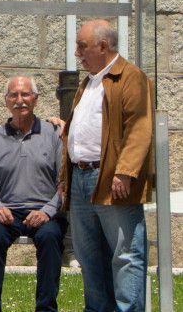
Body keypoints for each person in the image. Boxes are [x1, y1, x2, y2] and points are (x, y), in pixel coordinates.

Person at [58, 20, 153, 312]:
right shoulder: (88, 82)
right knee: (89, 257)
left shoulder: (130, 77)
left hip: (111, 177)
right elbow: (76, 134)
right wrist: (65, 176)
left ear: (103, 46)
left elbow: (138, 127)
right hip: (80, 177)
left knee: (125, 254)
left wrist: (124, 172)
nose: (77, 53)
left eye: (82, 46)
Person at [0, 76, 67, 312]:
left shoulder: (54, 134)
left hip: (45, 212)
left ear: (36, 99)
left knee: (49, 238)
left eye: (25, 94)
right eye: (14, 96)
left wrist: (47, 211)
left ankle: (46, 308)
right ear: (6, 101)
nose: (20, 100)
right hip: (7, 213)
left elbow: (65, 183)